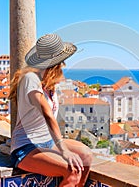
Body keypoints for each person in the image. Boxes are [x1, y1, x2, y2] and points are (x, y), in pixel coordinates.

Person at [9, 34, 93, 187]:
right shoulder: (30, 79)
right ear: (55, 64)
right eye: (61, 62)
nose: (63, 65)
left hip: (48, 142)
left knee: (86, 156)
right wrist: (64, 150)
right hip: (26, 147)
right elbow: (46, 113)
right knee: (72, 170)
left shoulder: (49, 84)